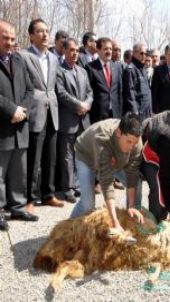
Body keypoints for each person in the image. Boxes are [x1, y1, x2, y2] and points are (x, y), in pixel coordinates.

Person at [70, 113, 143, 233]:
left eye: (134, 143)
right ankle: (69, 229)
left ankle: (132, 220)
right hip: (86, 156)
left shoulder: (136, 141)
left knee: (137, 183)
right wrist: (114, 222)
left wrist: (131, 205)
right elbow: (107, 183)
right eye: (129, 142)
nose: (132, 147)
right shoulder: (103, 139)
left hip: (114, 159)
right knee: (88, 204)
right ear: (119, 133)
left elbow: (132, 175)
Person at [21, 18, 64, 213]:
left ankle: (48, 194)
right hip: (34, 112)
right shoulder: (23, 56)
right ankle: (29, 198)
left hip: (52, 113)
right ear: (31, 35)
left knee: (51, 157)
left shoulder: (54, 58)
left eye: (47, 31)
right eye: (40, 31)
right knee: (33, 159)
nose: (45, 34)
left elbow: (53, 87)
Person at [0, 20, 38, 230]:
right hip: (3, 126)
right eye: (5, 37)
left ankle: (17, 207)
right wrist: (10, 110)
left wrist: (21, 110)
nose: (10, 42)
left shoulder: (19, 60)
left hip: (20, 125)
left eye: (13, 38)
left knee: (18, 171)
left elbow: (31, 90)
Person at [56, 37, 93, 203]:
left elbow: (90, 92)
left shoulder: (83, 71)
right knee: (67, 156)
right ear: (64, 51)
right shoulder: (59, 71)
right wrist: (78, 105)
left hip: (83, 121)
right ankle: (68, 188)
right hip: (68, 120)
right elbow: (61, 93)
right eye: (71, 50)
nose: (75, 53)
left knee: (81, 154)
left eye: (77, 50)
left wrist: (87, 104)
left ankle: (78, 185)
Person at [86, 37, 123, 124]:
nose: (109, 51)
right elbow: (89, 92)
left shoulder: (117, 67)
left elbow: (119, 92)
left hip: (115, 114)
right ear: (98, 50)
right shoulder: (90, 68)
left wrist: (120, 113)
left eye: (110, 49)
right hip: (98, 115)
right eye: (106, 49)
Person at [122, 42, 152, 121]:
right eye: (142, 53)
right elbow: (129, 93)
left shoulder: (143, 69)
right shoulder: (130, 70)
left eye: (145, 54)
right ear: (134, 53)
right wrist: (135, 112)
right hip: (138, 113)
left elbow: (147, 91)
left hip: (147, 112)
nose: (144, 56)